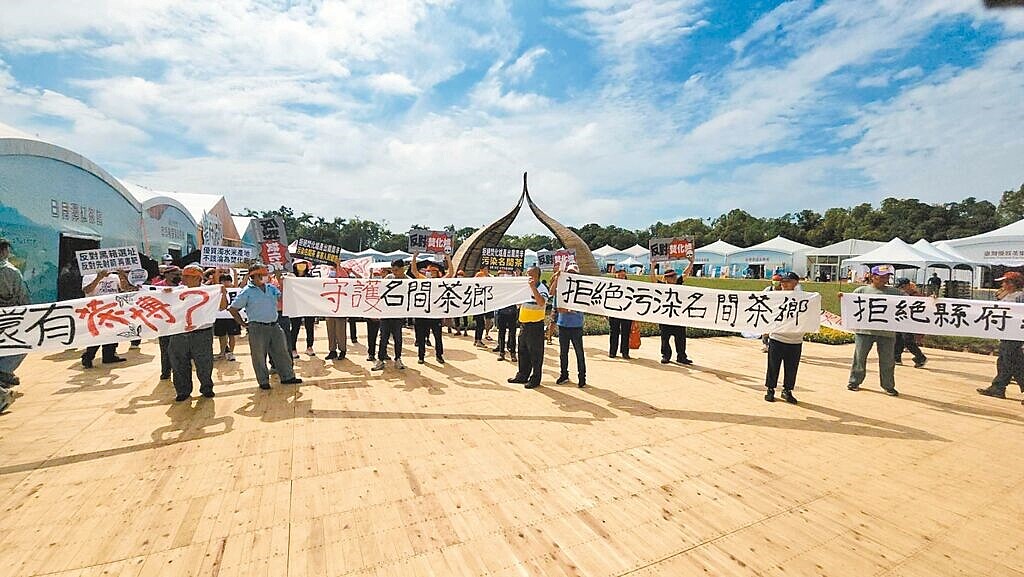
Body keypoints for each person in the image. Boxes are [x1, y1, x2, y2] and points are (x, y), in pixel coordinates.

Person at [228, 264, 302, 390]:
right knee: (259, 356)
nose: (265, 277)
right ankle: (263, 381)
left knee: (282, 352)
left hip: (274, 325)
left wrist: (281, 279)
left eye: (266, 274)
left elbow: (284, 297)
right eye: (262, 275)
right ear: (254, 277)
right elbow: (233, 309)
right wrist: (243, 324)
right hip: (257, 327)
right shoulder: (247, 292)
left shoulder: (271, 288)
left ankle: (287, 376)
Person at [168, 265, 228, 401]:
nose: (183, 278)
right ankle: (183, 391)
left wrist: (222, 292)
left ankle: (206, 388)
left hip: (202, 334)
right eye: (183, 275)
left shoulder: (209, 291)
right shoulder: (176, 291)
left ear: (197, 277)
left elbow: (223, 307)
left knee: (204, 363)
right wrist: (164, 295)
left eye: (187, 276)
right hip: (179, 333)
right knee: (179, 363)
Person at [844, 265, 901, 396]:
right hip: (864, 331)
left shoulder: (895, 292)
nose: (884, 279)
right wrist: (843, 298)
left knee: (888, 360)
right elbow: (850, 305)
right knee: (859, 358)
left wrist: (931, 299)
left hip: (887, 332)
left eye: (887, 276)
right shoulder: (861, 291)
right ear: (872, 277)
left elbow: (912, 302)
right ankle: (854, 381)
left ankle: (888, 385)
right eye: (882, 276)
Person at [977, 272, 1024, 403]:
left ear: (1012, 284)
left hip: (1014, 335)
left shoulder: (1020, 296)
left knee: (1015, 363)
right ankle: (998, 387)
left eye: (1005, 282)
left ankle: (998, 386)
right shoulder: (1007, 295)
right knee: (1004, 361)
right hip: (1005, 334)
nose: (1002, 284)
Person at [764, 272, 806, 403]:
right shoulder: (775, 297)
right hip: (777, 337)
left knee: (791, 368)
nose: (784, 284)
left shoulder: (804, 298)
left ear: (796, 283)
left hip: (795, 340)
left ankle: (787, 391)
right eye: (782, 281)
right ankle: (770, 389)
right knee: (773, 366)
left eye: (787, 281)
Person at [80, 268, 132, 368]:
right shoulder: (89, 276)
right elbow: (87, 290)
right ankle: (88, 356)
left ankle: (109, 355)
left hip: (112, 310)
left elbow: (125, 288)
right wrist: (99, 277)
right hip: (96, 310)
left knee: (112, 333)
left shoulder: (114, 277)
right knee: (96, 334)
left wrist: (122, 275)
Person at [0, 238, 29, 411]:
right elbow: (24, 300)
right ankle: (3, 375)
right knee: (22, 345)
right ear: (4, 251)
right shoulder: (11, 272)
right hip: (9, 323)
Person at [508, 266, 548, 389]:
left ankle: (535, 379)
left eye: (529, 275)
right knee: (523, 351)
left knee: (535, 354)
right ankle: (522, 375)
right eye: (526, 274)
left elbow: (541, 302)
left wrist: (532, 288)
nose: (527, 277)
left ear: (536, 276)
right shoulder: (525, 288)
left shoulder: (541, 288)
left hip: (535, 325)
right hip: (524, 324)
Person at [650, 255, 695, 365]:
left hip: (678, 315)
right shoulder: (661, 286)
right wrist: (652, 267)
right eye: (671, 277)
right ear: (666, 278)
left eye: (674, 276)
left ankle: (681, 356)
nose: (674, 278)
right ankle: (666, 356)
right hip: (665, 315)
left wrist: (691, 263)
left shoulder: (678, 283)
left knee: (681, 338)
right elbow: (653, 279)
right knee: (665, 338)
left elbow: (685, 273)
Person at [411, 252, 454, 365]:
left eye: (433, 271)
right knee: (421, 337)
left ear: (437, 273)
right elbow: (414, 271)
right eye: (429, 271)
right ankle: (421, 356)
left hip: (435, 313)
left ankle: (439, 355)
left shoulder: (440, 282)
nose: (431, 273)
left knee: (438, 336)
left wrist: (448, 258)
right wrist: (414, 257)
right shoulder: (422, 279)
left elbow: (450, 273)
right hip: (422, 313)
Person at [551, 264, 586, 387]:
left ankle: (582, 377)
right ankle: (564, 374)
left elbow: (585, 305)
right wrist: (556, 278)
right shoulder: (562, 288)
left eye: (574, 273)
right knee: (563, 352)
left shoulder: (582, 289)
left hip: (576, 325)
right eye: (569, 272)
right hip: (563, 325)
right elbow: (553, 297)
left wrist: (568, 310)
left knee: (579, 352)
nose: (572, 275)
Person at [373, 259, 407, 370]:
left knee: (398, 338)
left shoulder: (408, 281)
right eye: (392, 270)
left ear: (402, 269)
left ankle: (398, 359)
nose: (394, 273)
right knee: (383, 338)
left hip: (398, 315)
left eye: (396, 270)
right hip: (386, 314)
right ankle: (380, 360)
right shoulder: (388, 278)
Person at [152, 265, 182, 379]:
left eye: (179, 274)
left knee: (178, 349)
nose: (178, 277)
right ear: (167, 275)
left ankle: (177, 370)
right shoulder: (157, 287)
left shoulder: (182, 287)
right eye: (176, 275)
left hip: (179, 322)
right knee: (165, 348)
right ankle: (165, 371)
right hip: (164, 322)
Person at [893, 278, 927, 368]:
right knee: (898, 338)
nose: (901, 289)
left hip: (911, 322)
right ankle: (896, 358)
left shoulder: (916, 296)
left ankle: (920, 357)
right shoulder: (899, 295)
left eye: (903, 287)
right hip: (900, 320)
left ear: (908, 285)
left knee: (908, 340)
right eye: (899, 287)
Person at [289, 259, 316, 358]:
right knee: (295, 327)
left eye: (304, 264)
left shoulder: (311, 278)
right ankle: (293, 348)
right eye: (299, 264)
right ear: (295, 266)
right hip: (295, 306)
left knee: (310, 327)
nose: (301, 266)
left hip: (309, 306)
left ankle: (309, 347)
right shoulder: (291, 277)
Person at [324, 263, 351, 361]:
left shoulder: (342, 271)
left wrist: (338, 267)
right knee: (330, 329)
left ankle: (342, 350)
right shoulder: (326, 270)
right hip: (329, 304)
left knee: (340, 329)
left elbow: (345, 280)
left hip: (341, 305)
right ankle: (332, 350)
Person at [213, 271, 241, 361]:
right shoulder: (218, 289)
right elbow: (216, 281)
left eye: (228, 281)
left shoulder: (234, 288)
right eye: (223, 281)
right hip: (220, 316)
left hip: (231, 316)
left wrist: (235, 271)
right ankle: (222, 352)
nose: (226, 282)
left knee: (232, 335)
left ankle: (231, 352)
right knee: (221, 336)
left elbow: (236, 283)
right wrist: (217, 270)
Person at [493, 272, 519, 362]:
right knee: (501, 333)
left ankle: (512, 353)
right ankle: (501, 352)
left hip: (512, 312)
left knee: (512, 333)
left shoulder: (514, 287)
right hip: (502, 312)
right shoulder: (501, 287)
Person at [608, 268, 632, 359]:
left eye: (623, 275)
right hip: (614, 311)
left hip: (626, 312)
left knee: (626, 333)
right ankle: (612, 351)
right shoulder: (611, 284)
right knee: (614, 332)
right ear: (615, 275)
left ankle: (625, 352)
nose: (621, 277)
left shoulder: (630, 285)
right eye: (619, 275)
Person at [472, 265, 491, 347]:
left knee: (479, 323)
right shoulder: (479, 275)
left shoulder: (486, 276)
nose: (487, 271)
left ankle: (477, 340)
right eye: (485, 269)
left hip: (481, 303)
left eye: (487, 269)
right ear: (481, 269)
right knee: (480, 323)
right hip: (478, 304)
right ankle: (478, 340)